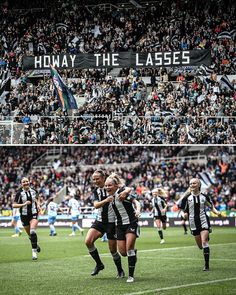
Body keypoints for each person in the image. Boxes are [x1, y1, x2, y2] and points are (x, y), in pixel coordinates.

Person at [85, 169, 130, 278]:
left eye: (97, 179)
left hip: (112, 223)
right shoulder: (96, 191)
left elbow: (127, 188)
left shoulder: (112, 187)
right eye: (93, 179)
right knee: (88, 241)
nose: (95, 181)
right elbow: (96, 205)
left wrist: (126, 191)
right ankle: (99, 264)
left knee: (113, 250)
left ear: (104, 178)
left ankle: (120, 270)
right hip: (100, 221)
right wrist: (106, 200)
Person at [177, 178, 222, 271]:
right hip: (193, 223)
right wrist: (184, 215)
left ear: (199, 185)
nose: (192, 185)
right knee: (200, 246)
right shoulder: (187, 198)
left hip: (203, 220)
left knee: (204, 242)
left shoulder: (204, 197)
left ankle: (206, 265)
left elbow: (211, 207)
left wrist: (217, 213)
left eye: (194, 183)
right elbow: (184, 211)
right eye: (190, 183)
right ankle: (204, 239)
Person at [105, 173, 141, 283]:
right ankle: (133, 253)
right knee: (123, 252)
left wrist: (138, 210)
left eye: (109, 185)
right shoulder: (109, 198)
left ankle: (131, 276)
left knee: (129, 247)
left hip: (131, 223)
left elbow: (135, 201)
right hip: (119, 226)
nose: (107, 188)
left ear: (116, 186)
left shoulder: (122, 194)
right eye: (106, 186)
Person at [12, 177, 41, 260]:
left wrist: (38, 205)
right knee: (30, 235)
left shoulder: (34, 191)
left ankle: (34, 252)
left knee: (32, 231)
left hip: (33, 213)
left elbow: (38, 198)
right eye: (23, 182)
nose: (25, 183)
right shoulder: (19, 193)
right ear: (21, 184)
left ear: (29, 182)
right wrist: (24, 204)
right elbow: (14, 205)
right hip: (24, 216)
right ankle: (35, 244)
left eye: (27, 181)